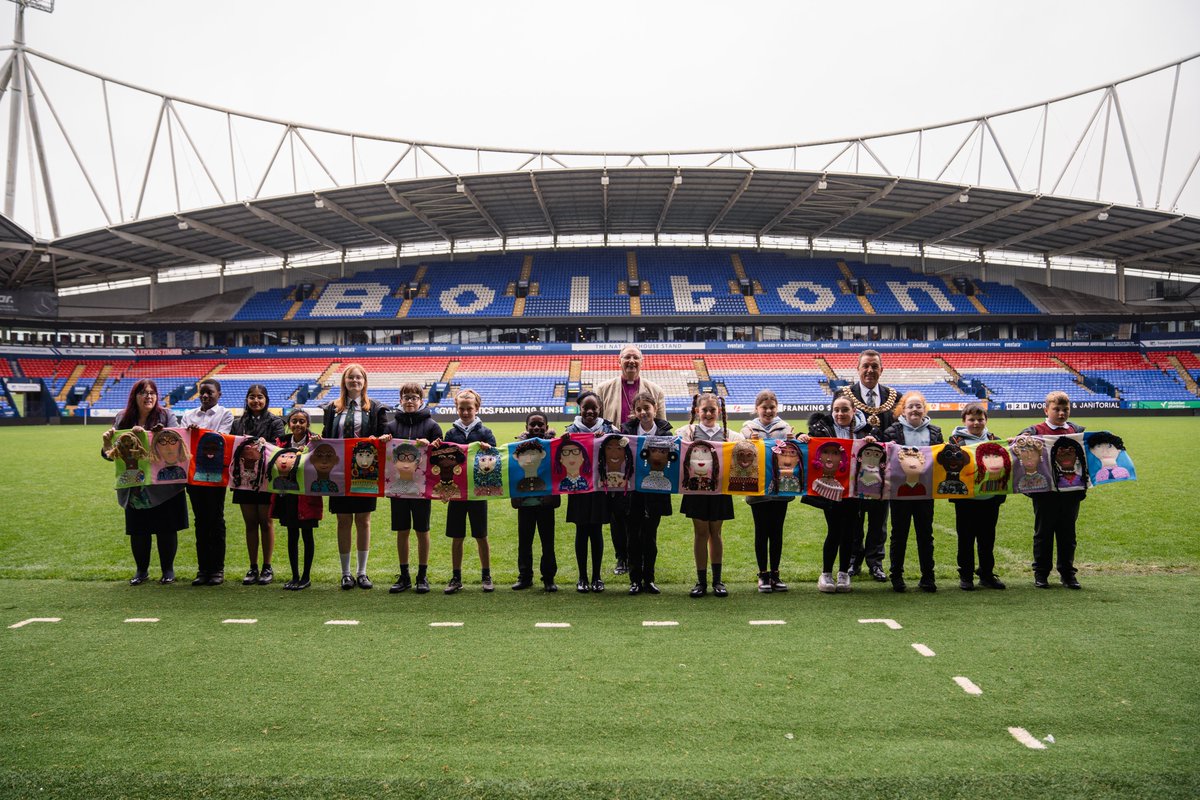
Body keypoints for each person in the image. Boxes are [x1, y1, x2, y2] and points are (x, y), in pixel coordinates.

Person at [101, 379, 187, 586]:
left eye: (152, 393)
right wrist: (106, 442)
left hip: (164, 486)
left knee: (166, 528)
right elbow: (110, 454)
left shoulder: (166, 416)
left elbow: (176, 443)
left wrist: (157, 434)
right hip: (135, 485)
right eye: (143, 392)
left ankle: (168, 570)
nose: (148, 396)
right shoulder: (122, 418)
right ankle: (141, 571)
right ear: (135, 396)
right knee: (138, 529)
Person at [595, 345, 666, 576]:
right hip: (615, 458)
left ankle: (645, 557)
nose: (631, 361)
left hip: (646, 460)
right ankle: (621, 557)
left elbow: (663, 428)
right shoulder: (603, 389)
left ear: (642, 361)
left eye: (636, 357)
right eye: (627, 357)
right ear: (619, 361)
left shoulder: (655, 390)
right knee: (618, 511)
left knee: (645, 510)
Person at [320, 363, 391, 590]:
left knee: (363, 520)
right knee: (343, 520)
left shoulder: (376, 408)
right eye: (351, 378)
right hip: (339, 471)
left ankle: (362, 572)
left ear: (364, 382)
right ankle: (346, 573)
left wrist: (377, 438)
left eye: (359, 378)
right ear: (344, 382)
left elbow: (384, 436)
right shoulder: (333, 408)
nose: (355, 381)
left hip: (365, 470)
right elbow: (327, 436)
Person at [800, 395, 877, 593]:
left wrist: (870, 442)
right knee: (834, 530)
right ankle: (826, 573)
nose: (840, 414)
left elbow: (877, 453)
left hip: (854, 489)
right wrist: (804, 438)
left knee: (849, 533)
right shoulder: (821, 428)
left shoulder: (865, 430)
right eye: (836, 410)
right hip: (831, 489)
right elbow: (809, 445)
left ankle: (843, 573)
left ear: (854, 411)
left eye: (844, 410)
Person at [838, 350, 898, 583]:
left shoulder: (894, 397)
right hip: (852, 470)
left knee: (879, 518)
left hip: (884, 471)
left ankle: (875, 561)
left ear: (881, 370)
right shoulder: (843, 395)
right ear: (858, 369)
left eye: (874, 366)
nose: (870, 371)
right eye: (866, 366)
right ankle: (853, 559)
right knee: (853, 516)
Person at [1019, 391, 1086, 589]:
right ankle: (1041, 573)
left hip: (1071, 491)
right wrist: (1021, 439)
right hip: (1045, 493)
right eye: (1056, 409)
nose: (1061, 413)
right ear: (1046, 409)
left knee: (1068, 534)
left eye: (1065, 409)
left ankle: (1067, 574)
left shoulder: (1076, 430)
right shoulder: (1035, 431)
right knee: (1043, 533)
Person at [678, 392, 742, 598]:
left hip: (719, 491)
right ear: (697, 411)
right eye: (704, 410)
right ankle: (701, 581)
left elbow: (746, 450)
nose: (708, 413)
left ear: (719, 411)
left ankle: (717, 581)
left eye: (712, 410)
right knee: (700, 533)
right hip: (695, 491)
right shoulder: (687, 432)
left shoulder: (730, 435)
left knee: (716, 533)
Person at [880, 391, 942, 592]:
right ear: (902, 410)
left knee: (926, 535)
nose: (915, 409)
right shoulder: (892, 431)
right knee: (899, 534)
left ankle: (928, 577)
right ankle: (896, 576)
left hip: (925, 492)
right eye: (910, 406)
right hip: (900, 492)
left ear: (924, 409)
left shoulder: (935, 432)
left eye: (918, 406)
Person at [384, 382, 442, 594]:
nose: (410, 401)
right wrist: (383, 441)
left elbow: (441, 457)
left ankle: (422, 575)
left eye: (414, 397)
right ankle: (405, 575)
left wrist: (433, 446)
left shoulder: (432, 426)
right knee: (402, 530)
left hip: (421, 488)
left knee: (422, 530)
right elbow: (385, 456)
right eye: (406, 397)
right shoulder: (391, 427)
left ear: (421, 400)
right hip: (398, 487)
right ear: (401, 400)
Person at [440, 388, 496, 594]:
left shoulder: (485, 432)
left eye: (469, 409)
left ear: (477, 408)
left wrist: (488, 450)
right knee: (457, 536)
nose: (465, 412)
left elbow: (496, 460)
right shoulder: (451, 433)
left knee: (481, 535)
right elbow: (443, 462)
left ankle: (486, 575)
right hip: (456, 491)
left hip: (478, 491)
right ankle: (456, 577)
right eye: (461, 408)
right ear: (456, 408)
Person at [230, 384, 286, 586]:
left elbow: (281, 448)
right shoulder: (239, 422)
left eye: (260, 397)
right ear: (247, 399)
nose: (256, 401)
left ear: (266, 399)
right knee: (250, 523)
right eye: (252, 397)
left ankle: (267, 566)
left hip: (265, 480)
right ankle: (253, 567)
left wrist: (267, 444)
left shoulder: (275, 421)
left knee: (266, 522)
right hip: (243, 480)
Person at [947, 403, 1007, 590]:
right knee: (965, 538)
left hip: (989, 499)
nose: (976, 423)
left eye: (980, 419)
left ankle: (986, 574)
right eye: (971, 419)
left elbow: (1004, 468)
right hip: (966, 501)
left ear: (986, 420)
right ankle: (965, 575)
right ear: (964, 421)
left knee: (987, 538)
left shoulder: (995, 441)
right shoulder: (954, 443)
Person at [180, 378, 233, 586]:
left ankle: (217, 569)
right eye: (202, 392)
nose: (205, 395)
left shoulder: (225, 414)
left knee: (216, 520)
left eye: (209, 392)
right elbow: (183, 443)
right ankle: (203, 569)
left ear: (219, 394)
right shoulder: (188, 415)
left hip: (216, 476)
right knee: (200, 522)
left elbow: (222, 439)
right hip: (193, 476)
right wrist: (190, 434)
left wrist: (197, 433)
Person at [741, 389, 795, 593]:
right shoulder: (748, 429)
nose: (769, 411)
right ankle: (763, 574)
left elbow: (794, 452)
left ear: (777, 408)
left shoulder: (785, 428)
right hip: (758, 490)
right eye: (764, 407)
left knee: (777, 531)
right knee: (761, 531)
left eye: (772, 407)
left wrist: (794, 439)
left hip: (781, 489)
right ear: (757, 409)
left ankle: (775, 573)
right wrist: (749, 440)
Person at [619, 392, 673, 595]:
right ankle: (634, 579)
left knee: (650, 536)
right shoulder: (626, 432)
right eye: (639, 409)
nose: (643, 412)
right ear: (634, 411)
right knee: (633, 536)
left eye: (647, 408)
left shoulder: (666, 434)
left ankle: (649, 579)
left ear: (655, 409)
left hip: (656, 491)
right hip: (632, 493)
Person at [565, 391, 615, 593]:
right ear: (580, 408)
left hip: (599, 488)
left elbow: (622, 447)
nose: (590, 411)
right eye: (586, 407)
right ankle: (582, 576)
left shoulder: (609, 428)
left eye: (594, 407)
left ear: (600, 409)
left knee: (596, 531)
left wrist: (610, 438)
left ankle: (597, 577)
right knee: (581, 530)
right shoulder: (571, 430)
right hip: (578, 488)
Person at [511, 413, 559, 592]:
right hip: (525, 503)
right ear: (526, 427)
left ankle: (548, 578)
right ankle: (525, 577)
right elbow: (513, 472)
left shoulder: (553, 446)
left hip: (546, 503)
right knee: (525, 541)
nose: (537, 428)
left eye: (541, 425)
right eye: (533, 425)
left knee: (548, 542)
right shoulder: (517, 448)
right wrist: (515, 496)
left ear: (547, 427)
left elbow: (557, 471)